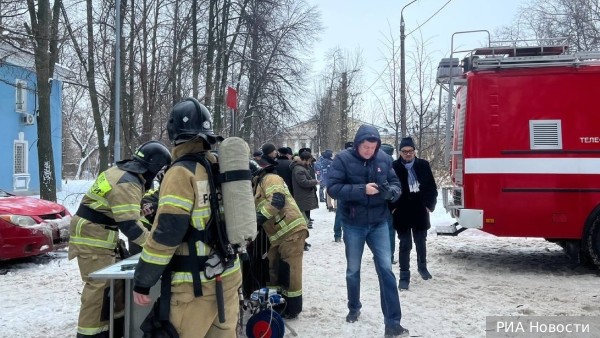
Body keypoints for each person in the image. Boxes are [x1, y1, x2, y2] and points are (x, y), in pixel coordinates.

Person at [132, 98, 242, 338]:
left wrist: (143, 279)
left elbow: (167, 232)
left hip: (196, 286)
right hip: (229, 275)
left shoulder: (181, 172)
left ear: (174, 132)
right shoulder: (219, 166)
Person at [68, 140, 172, 338]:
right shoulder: (129, 182)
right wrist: (155, 247)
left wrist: (138, 210)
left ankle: (112, 330)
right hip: (93, 235)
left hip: (100, 231)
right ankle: (90, 335)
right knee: (98, 289)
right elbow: (130, 226)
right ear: (153, 167)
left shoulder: (121, 172)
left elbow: (116, 208)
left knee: (114, 287)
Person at [327, 125, 409, 338]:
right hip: (353, 223)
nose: (369, 150)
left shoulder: (383, 158)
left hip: (379, 222)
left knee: (386, 271)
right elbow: (332, 188)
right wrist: (362, 190)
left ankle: (393, 323)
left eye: (373, 147)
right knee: (353, 270)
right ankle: (354, 306)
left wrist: (390, 193)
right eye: (365, 146)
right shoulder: (343, 159)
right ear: (357, 144)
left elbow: (396, 184)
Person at [252, 164, 309, 319]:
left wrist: (256, 220)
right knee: (273, 268)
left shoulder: (270, 178)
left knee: (291, 271)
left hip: (292, 231)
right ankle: (277, 303)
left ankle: (292, 308)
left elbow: (277, 200)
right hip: (278, 236)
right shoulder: (257, 188)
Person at [390, 137, 438, 290]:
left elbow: (431, 187)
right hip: (402, 211)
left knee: (420, 241)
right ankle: (404, 275)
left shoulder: (423, 165)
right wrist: (392, 207)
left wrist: (429, 205)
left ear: (414, 151)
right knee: (405, 244)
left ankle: (422, 267)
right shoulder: (394, 167)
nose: (408, 154)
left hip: (419, 210)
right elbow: (389, 188)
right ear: (400, 152)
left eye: (410, 151)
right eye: (405, 151)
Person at [290, 151, 319, 229]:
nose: (309, 163)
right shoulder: (299, 169)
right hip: (303, 195)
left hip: (305, 195)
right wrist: (315, 182)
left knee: (305, 214)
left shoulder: (301, 167)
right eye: (309, 161)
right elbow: (304, 182)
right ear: (305, 160)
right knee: (304, 217)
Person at [380, 143, 397, 264]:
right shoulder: (394, 164)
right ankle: (390, 256)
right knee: (390, 231)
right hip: (391, 202)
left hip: (378, 203)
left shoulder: (375, 162)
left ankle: (380, 255)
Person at [332, 142, 353, 242]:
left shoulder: (339, 158)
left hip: (342, 189)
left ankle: (337, 235)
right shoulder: (357, 158)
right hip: (354, 189)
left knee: (340, 212)